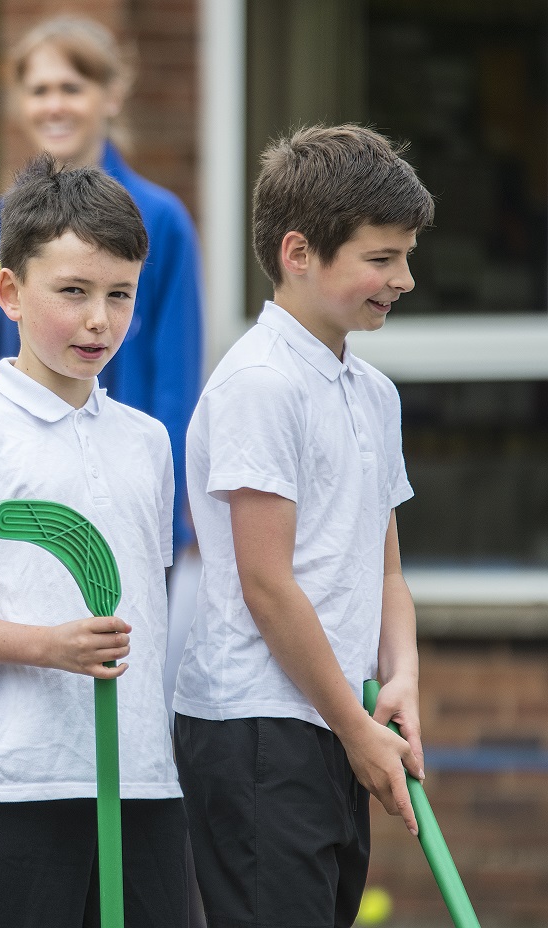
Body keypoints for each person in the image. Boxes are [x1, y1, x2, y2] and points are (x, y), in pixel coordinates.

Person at [0, 156, 188, 927]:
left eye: (120, 294)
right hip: (16, 783)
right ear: (10, 294)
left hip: (141, 777)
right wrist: (44, 647)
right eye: (73, 292)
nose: (99, 319)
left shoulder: (151, 441)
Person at [172, 124, 435, 927]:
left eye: (406, 256)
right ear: (298, 252)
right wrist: (353, 726)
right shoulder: (259, 383)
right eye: (381, 259)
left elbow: (384, 568)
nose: (405, 279)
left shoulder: (371, 392)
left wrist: (402, 677)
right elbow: (265, 581)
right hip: (258, 727)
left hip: (332, 715)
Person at [0, 19, 204, 681]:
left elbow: (176, 378)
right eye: (38, 89)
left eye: (72, 86)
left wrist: (159, 509)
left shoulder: (161, 219)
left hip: (118, 493)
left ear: (112, 95)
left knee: (119, 687)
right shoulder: (2, 222)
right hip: (17, 499)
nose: (53, 104)